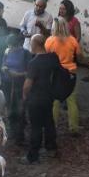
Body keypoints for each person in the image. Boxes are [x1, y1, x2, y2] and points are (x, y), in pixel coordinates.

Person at [23, 34, 60, 163]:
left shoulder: (34, 63)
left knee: (36, 126)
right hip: (49, 96)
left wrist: (24, 95)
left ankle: (32, 156)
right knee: (49, 122)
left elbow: (28, 84)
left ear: (35, 45)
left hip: (36, 99)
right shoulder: (53, 57)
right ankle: (51, 148)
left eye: (31, 43)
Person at [46, 18, 81, 134]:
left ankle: (52, 126)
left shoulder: (50, 41)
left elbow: (46, 55)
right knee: (72, 101)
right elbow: (79, 55)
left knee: (55, 101)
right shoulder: (72, 40)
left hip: (56, 73)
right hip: (71, 72)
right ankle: (74, 128)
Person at [2, 32, 30, 145]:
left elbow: (29, 72)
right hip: (8, 84)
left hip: (20, 85)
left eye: (12, 46)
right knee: (10, 108)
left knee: (20, 109)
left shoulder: (25, 53)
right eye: (9, 46)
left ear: (18, 44)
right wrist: (4, 69)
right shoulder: (7, 51)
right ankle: (11, 131)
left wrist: (17, 74)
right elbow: (3, 63)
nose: (10, 48)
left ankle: (20, 135)